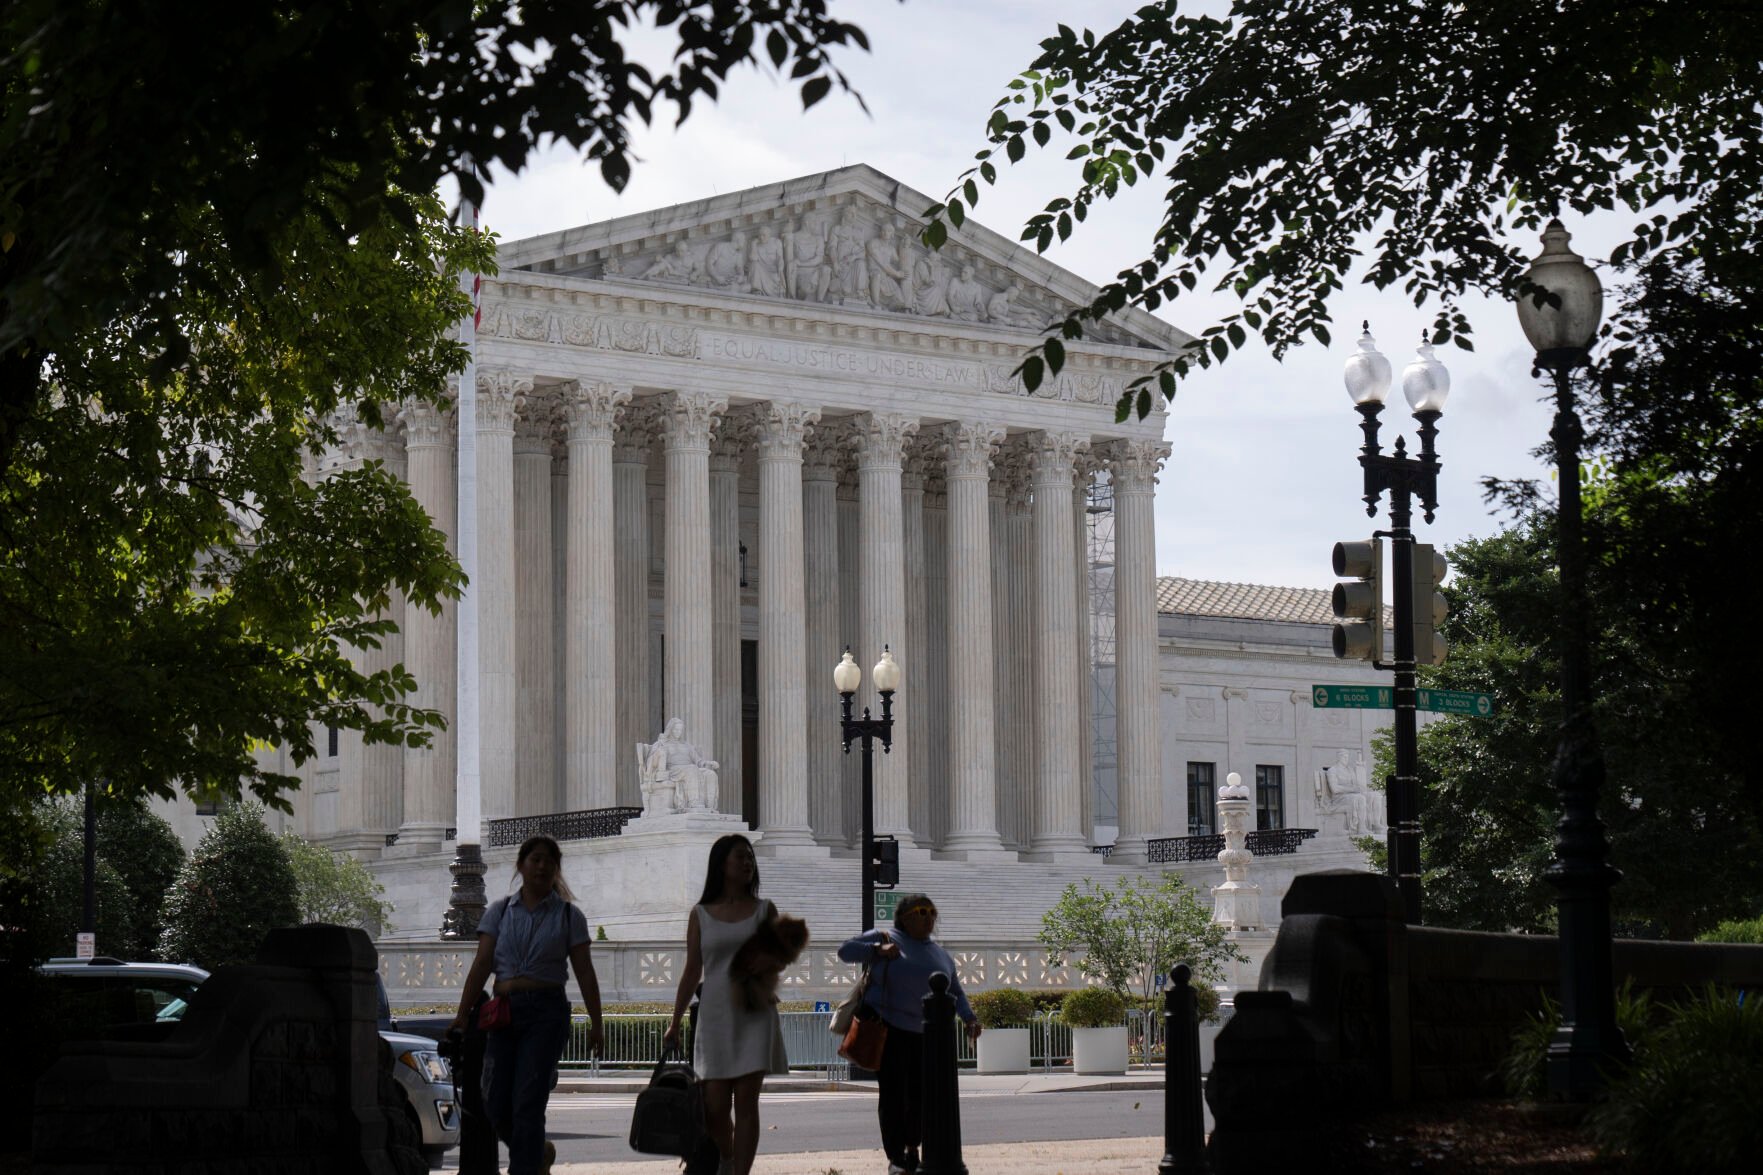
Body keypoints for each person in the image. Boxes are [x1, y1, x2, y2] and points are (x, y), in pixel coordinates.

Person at [452, 835, 604, 1175]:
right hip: (503, 1012)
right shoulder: (499, 911)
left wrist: (597, 1022)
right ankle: (536, 1153)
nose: (542, 866)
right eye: (535, 859)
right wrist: (462, 1016)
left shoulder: (569, 916)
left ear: (557, 869)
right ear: (521, 865)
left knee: (528, 1103)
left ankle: (525, 1167)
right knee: (494, 1103)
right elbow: (481, 965)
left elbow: (585, 973)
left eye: (549, 860)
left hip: (546, 1014)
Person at [664, 835, 788, 1175]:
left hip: (754, 1012)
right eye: (740, 857)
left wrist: (768, 964)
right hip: (715, 1014)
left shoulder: (765, 910)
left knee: (747, 1104)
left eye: (750, 857)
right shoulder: (701, 914)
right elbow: (692, 970)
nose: (747, 862)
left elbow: (781, 956)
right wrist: (674, 1021)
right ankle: (728, 1158)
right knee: (714, 1105)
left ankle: (739, 1172)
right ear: (722, 864)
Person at [838, 895, 981, 1175]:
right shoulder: (885, 936)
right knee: (893, 1095)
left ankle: (912, 1148)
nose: (928, 918)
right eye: (921, 912)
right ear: (904, 917)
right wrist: (877, 950)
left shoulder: (940, 954)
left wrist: (969, 1017)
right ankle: (896, 1157)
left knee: (921, 1096)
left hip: (924, 1034)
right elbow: (845, 951)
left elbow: (955, 991)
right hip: (887, 1029)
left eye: (932, 913)